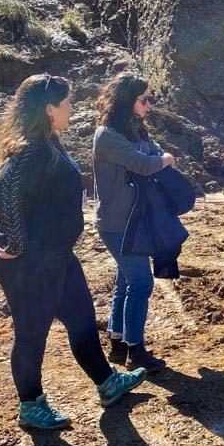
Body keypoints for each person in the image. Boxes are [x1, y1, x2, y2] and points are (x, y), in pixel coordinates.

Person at [0, 74, 146, 431]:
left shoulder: (48, 141)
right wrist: (16, 241)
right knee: (32, 333)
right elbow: (3, 190)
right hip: (29, 261)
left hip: (55, 255)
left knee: (81, 320)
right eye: (67, 103)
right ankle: (31, 406)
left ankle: (107, 383)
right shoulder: (33, 148)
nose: (72, 108)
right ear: (49, 109)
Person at [93, 72, 176, 372]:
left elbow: (152, 152)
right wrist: (165, 160)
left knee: (126, 281)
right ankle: (135, 351)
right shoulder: (107, 136)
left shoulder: (134, 130)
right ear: (129, 101)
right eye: (145, 100)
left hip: (132, 220)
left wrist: (159, 157)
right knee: (141, 282)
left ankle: (118, 342)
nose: (149, 105)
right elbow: (144, 163)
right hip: (116, 224)